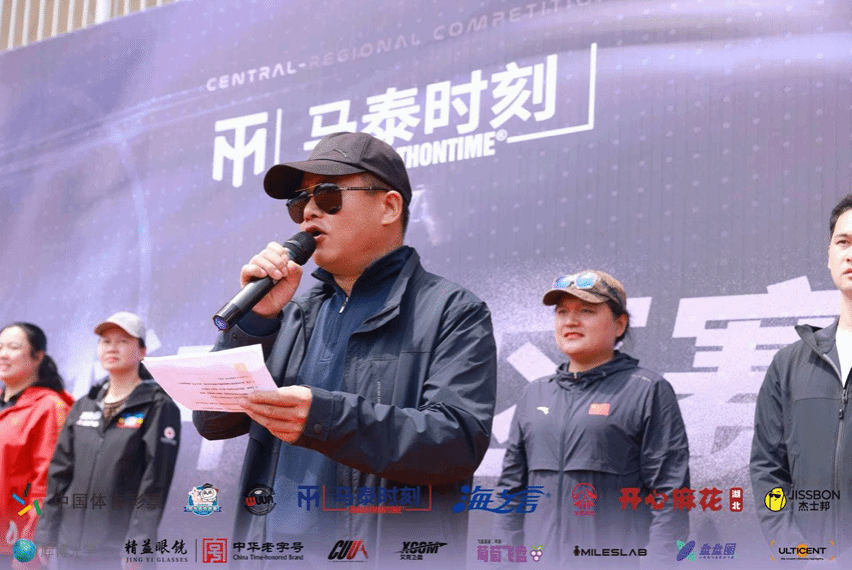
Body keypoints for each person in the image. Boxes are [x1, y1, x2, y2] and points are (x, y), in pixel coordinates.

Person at [193, 131, 497, 567]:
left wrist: (327, 417)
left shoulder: (452, 310)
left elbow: (457, 445)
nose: (309, 211)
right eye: (300, 201)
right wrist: (255, 322)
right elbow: (212, 421)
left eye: (328, 195)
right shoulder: (290, 314)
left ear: (389, 207)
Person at [494, 271, 689, 568]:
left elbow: (671, 495)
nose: (570, 321)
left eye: (586, 311)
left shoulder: (647, 390)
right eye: (562, 312)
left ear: (619, 324)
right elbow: (510, 492)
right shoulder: (534, 393)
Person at [34, 312, 181, 569]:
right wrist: (46, 535)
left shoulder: (158, 405)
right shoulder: (84, 404)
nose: (112, 347)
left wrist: (138, 546)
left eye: (123, 341)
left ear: (142, 351)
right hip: (69, 547)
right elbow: (59, 475)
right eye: (106, 341)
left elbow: (155, 483)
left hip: (117, 552)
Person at [751, 194, 852, 565]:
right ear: (829, 256)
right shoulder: (790, 363)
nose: (850, 254)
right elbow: (768, 468)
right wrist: (794, 550)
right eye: (843, 242)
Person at [0, 323, 73, 570]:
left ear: (38, 356)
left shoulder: (49, 407)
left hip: (12, 544)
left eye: (13, 347)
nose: (3, 354)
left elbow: (48, 484)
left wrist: (29, 547)